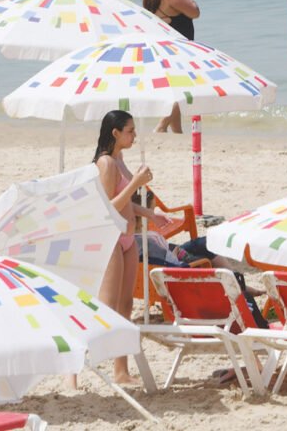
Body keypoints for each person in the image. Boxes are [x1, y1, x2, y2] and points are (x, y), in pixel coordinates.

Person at [92, 110, 170, 384]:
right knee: (107, 306)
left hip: (128, 238)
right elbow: (108, 207)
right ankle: (72, 367)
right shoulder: (106, 163)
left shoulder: (120, 160)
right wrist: (136, 182)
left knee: (126, 306)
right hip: (112, 238)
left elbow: (126, 203)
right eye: (130, 131)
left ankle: (120, 371)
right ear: (115, 133)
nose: (134, 135)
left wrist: (150, 214)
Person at [142, 0, 200, 134]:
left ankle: (177, 131)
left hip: (163, 44)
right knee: (185, 87)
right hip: (179, 46)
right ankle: (161, 125)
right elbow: (195, 12)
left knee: (176, 86)